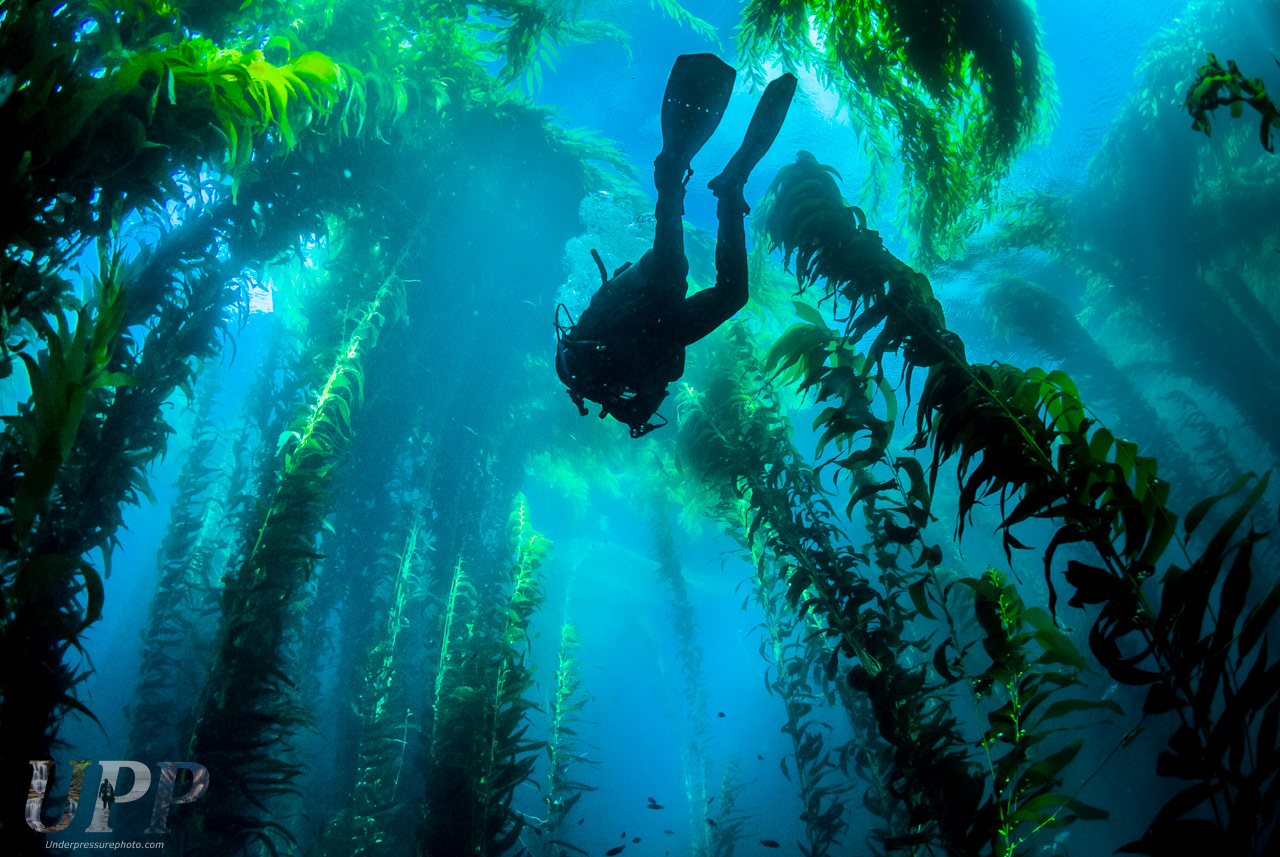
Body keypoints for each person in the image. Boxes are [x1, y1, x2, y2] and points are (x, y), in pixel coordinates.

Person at [555, 55, 796, 437]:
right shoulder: (615, 387)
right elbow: (650, 381)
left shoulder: (592, 375)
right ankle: (730, 188)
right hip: (664, 327)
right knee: (733, 295)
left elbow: (626, 363)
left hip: (643, 300)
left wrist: (634, 403)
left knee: (671, 273)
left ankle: (670, 172)